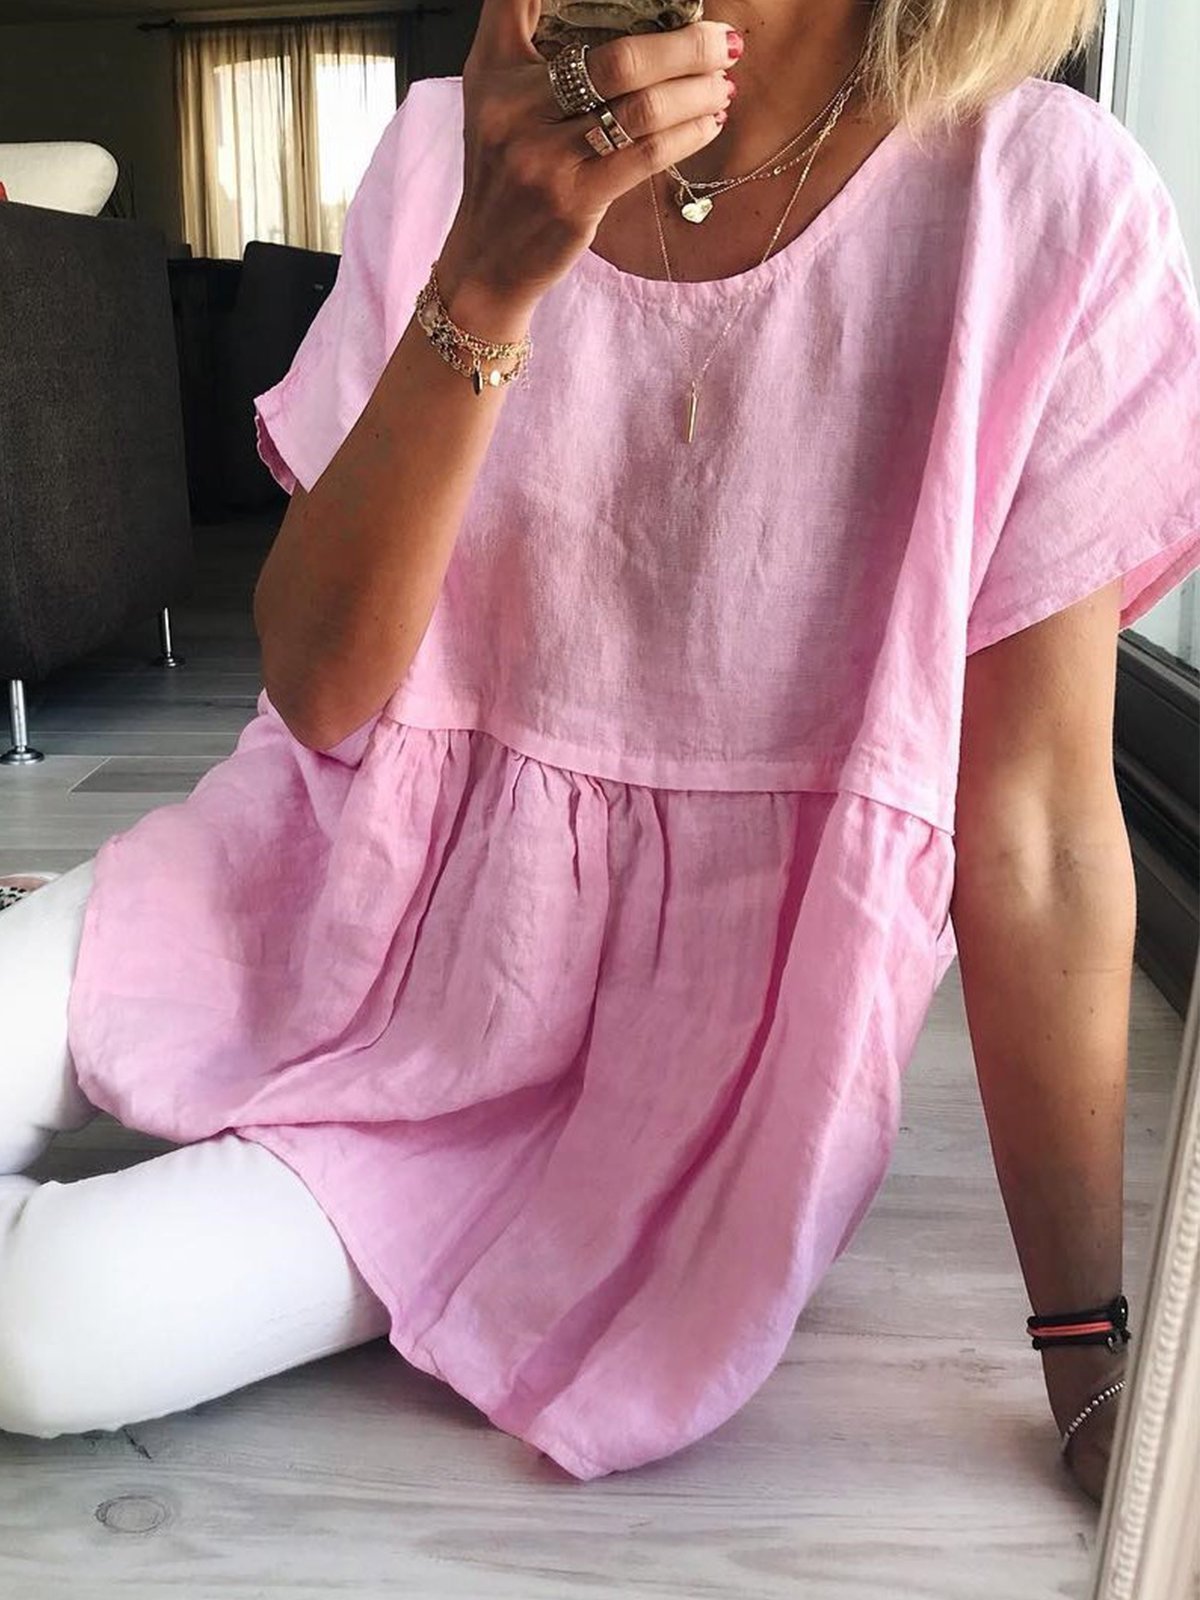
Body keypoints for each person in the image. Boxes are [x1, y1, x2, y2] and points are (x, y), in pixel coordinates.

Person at [2, 0, 1198, 1506]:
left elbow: (1036, 830)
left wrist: (1090, 1348)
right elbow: (316, 689)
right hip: (305, 889)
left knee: (44, 1331)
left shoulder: (1040, 203)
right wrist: (490, 272)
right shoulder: (445, 147)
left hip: (621, 1073)